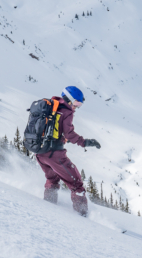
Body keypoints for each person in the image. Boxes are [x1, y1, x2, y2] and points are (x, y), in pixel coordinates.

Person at [36, 86, 101, 216]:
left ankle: (48, 208)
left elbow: (57, 132)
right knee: (76, 184)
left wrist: (65, 138)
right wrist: (85, 142)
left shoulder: (52, 107)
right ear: (69, 99)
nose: (77, 107)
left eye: (79, 105)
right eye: (76, 103)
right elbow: (69, 133)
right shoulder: (67, 112)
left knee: (52, 180)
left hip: (40, 152)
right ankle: (83, 217)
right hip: (55, 155)